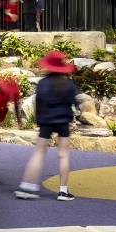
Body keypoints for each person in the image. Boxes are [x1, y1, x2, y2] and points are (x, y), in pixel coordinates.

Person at [16, 50, 78, 201]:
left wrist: (39, 119)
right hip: (63, 121)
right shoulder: (68, 84)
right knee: (63, 154)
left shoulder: (42, 83)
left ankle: (27, 187)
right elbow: (74, 102)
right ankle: (63, 191)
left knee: (39, 152)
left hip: (46, 121)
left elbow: (39, 103)